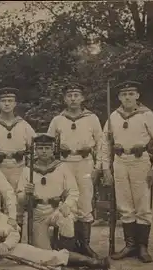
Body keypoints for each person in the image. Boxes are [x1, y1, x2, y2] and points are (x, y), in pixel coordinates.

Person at [100, 80, 153, 263]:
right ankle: (130, 245)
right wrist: (106, 169)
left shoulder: (147, 115)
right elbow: (104, 145)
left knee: (142, 206)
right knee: (124, 205)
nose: (127, 97)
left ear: (137, 96)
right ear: (119, 97)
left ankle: (142, 247)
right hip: (120, 162)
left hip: (140, 162)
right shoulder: (113, 116)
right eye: (124, 94)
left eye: (131, 93)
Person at [47, 82, 104, 258]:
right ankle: (68, 244)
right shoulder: (58, 120)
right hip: (64, 163)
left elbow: (101, 144)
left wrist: (98, 167)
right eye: (69, 96)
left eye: (76, 95)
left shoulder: (92, 118)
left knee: (85, 201)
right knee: (66, 202)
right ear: (64, 99)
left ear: (82, 98)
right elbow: (47, 144)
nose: (73, 99)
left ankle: (84, 244)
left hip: (85, 162)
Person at [16, 134, 79, 251]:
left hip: (56, 210)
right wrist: (26, 194)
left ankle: (68, 255)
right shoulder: (27, 170)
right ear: (35, 150)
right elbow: (20, 199)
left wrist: (67, 204)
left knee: (67, 220)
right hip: (37, 213)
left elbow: (73, 191)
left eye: (47, 148)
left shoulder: (62, 167)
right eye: (40, 148)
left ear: (52, 150)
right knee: (43, 254)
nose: (44, 151)